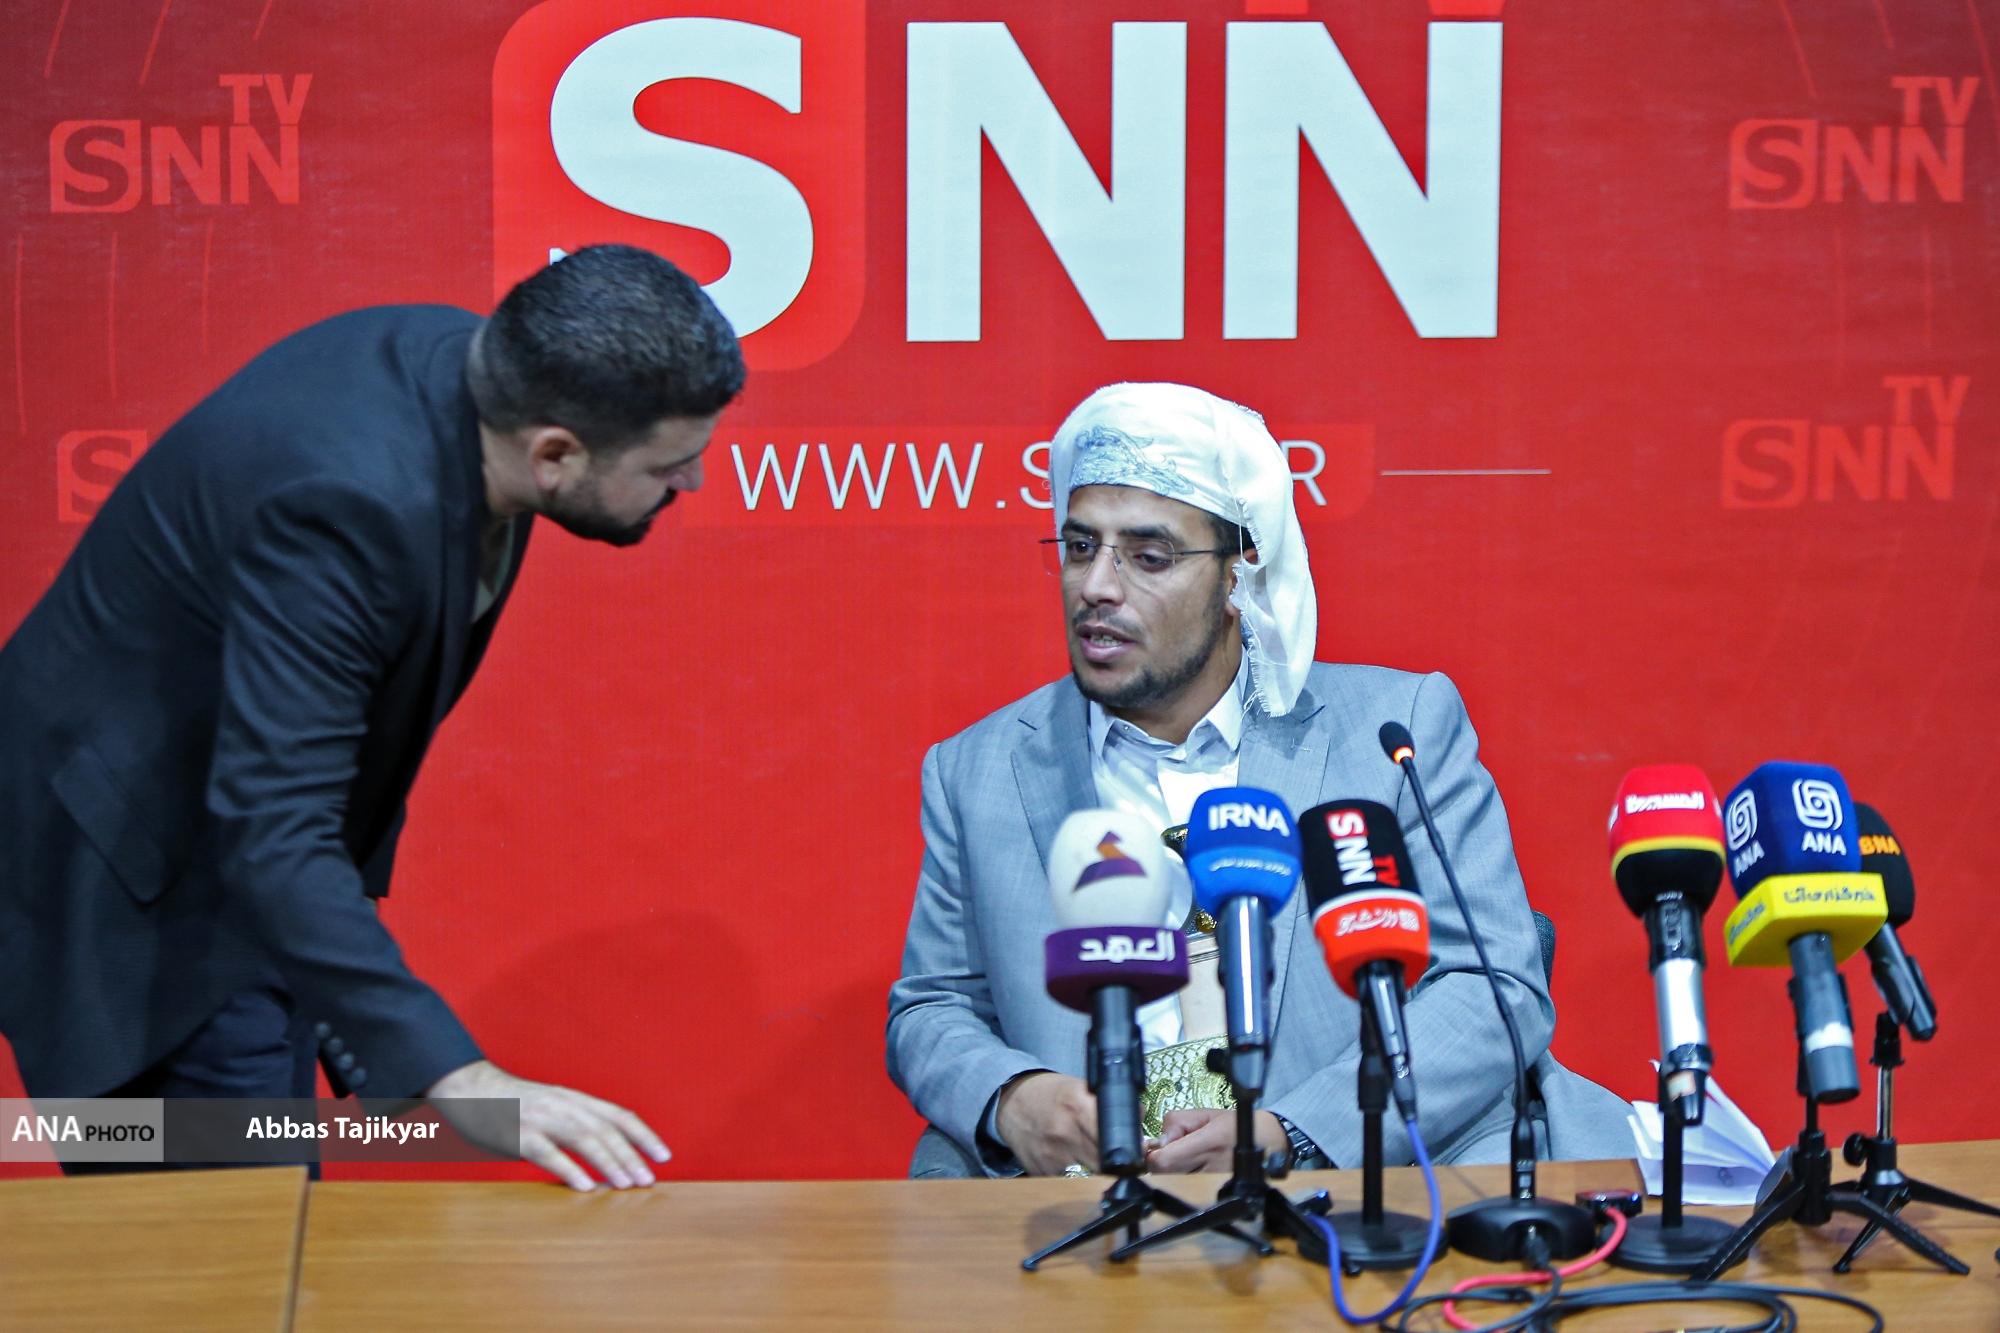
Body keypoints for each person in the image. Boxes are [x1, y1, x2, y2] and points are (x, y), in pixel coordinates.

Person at [0, 245, 742, 1191]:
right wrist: (462, 1080)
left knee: (266, 1207)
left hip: (234, 864)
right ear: (555, 453)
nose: (694, 483)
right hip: (132, 890)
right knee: (227, 1237)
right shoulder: (346, 503)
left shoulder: (476, 384)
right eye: (671, 464)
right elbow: (274, 827)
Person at [886, 382, 1632, 1178]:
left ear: (1241, 571)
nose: (1097, 585)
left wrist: (1291, 1131)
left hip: (1335, 1188)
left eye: (1148, 556)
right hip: (1086, 1199)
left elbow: (1492, 983)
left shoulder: (1394, 732)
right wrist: (1013, 1097)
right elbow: (933, 1005)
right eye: (1079, 547)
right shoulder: (978, 769)